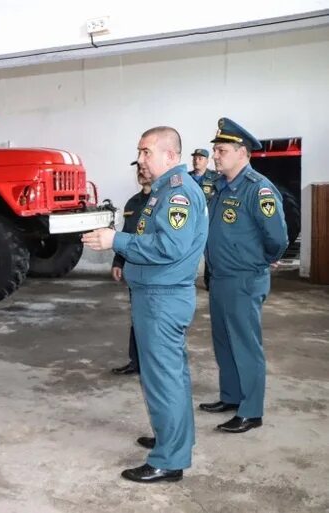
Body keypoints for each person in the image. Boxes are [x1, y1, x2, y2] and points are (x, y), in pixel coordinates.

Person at [82, 127, 208, 484]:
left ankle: (168, 460)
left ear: (170, 155)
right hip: (158, 295)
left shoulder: (178, 193)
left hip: (162, 298)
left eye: (146, 151)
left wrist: (115, 240)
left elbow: (169, 247)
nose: (140, 158)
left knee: (163, 379)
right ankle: (175, 438)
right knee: (172, 376)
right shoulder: (165, 191)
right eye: (139, 151)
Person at [198, 118, 288, 434]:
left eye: (221, 150)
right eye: (215, 150)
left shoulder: (257, 188)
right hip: (221, 277)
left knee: (246, 344)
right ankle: (232, 397)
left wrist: (264, 260)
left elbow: (278, 237)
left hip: (244, 279)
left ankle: (251, 411)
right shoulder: (222, 187)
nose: (215, 156)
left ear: (242, 152)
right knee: (224, 341)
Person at [111, 161, 151, 376]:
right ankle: (135, 361)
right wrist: (118, 262)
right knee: (136, 316)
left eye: (145, 167)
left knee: (153, 319)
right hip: (134, 270)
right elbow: (125, 235)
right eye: (139, 170)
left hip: (153, 270)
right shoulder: (132, 203)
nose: (142, 171)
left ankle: (151, 363)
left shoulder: (162, 202)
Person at [189, 148, 219, 290]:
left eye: (200, 158)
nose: (196, 160)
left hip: (208, 222)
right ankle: (187, 279)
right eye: (195, 158)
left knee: (209, 253)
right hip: (189, 222)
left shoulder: (215, 178)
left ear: (207, 161)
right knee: (188, 252)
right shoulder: (186, 177)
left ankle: (210, 282)